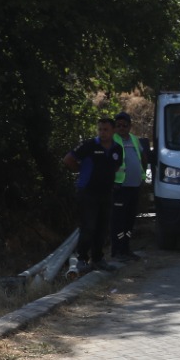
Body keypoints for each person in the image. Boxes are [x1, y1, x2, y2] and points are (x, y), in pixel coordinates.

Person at [62, 115, 123, 272]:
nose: (102, 132)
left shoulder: (117, 148)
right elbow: (68, 159)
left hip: (106, 193)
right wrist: (81, 171)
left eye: (106, 129)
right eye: (100, 129)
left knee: (102, 227)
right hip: (88, 192)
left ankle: (98, 258)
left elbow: (116, 167)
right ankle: (82, 259)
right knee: (88, 226)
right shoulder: (89, 145)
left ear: (114, 130)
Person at [110, 112, 152, 261]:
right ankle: (117, 251)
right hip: (119, 187)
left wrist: (142, 176)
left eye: (124, 125)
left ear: (130, 126)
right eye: (118, 125)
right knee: (118, 221)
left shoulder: (134, 139)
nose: (121, 128)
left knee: (129, 220)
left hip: (134, 186)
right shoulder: (112, 140)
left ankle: (126, 249)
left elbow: (144, 157)